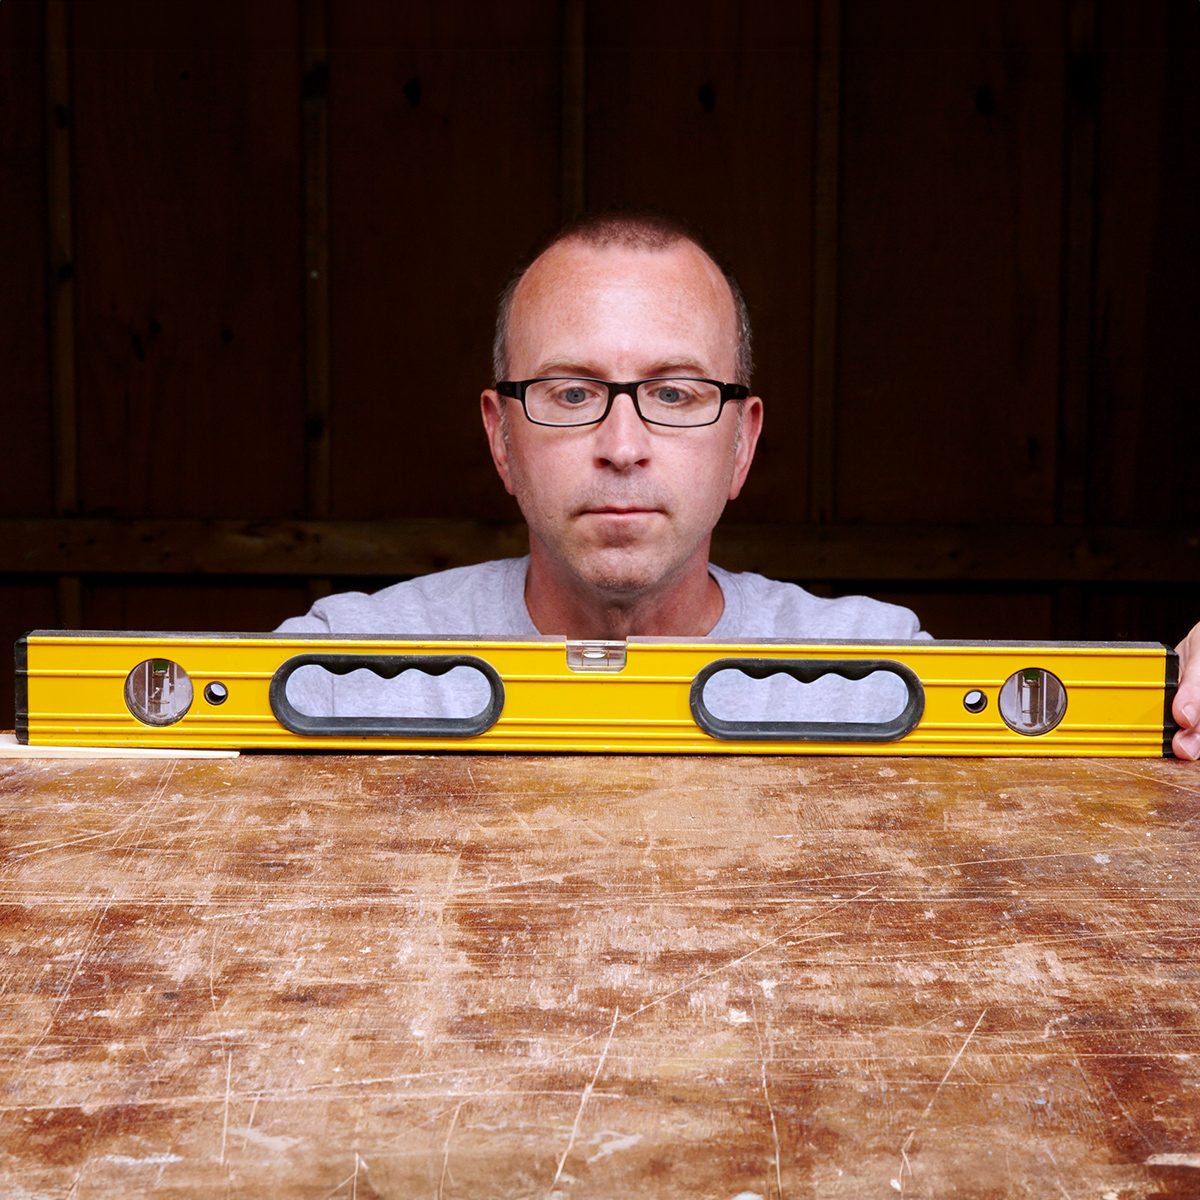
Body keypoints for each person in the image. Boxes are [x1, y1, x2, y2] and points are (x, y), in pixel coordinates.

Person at [278, 210, 1200, 758]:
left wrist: (1182, 712)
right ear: (502, 437)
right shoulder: (341, 668)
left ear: (742, 445)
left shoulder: (873, 677)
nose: (623, 443)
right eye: (571, 392)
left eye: (677, 393)